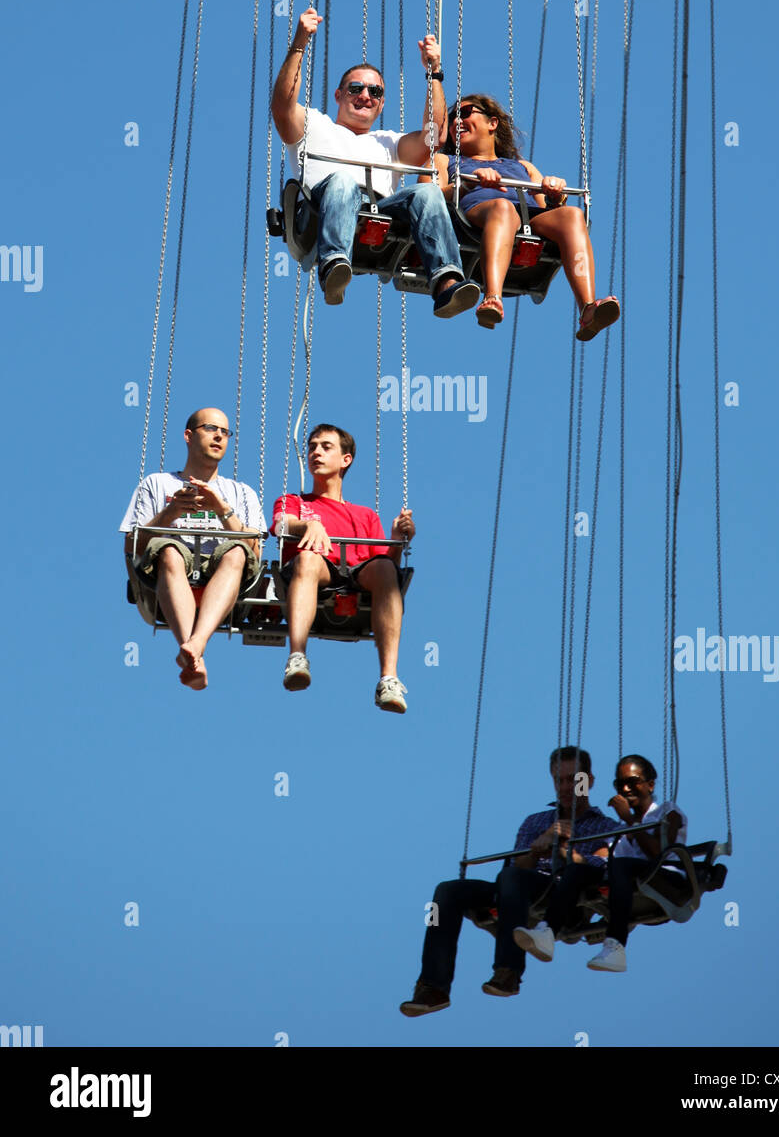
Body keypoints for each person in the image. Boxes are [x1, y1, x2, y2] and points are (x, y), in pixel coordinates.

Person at [270, 8, 480, 318]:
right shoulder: (313, 124)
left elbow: (433, 138)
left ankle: (445, 281)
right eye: (356, 89)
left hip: (378, 213)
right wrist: (300, 42)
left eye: (375, 91)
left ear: (381, 104)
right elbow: (282, 104)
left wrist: (434, 72)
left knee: (428, 193)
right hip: (320, 211)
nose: (365, 95)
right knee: (342, 179)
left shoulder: (389, 142)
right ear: (339, 95)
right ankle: (334, 266)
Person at [399, 748, 619, 1016]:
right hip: (518, 888)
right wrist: (539, 846)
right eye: (558, 780)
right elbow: (519, 865)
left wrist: (562, 850)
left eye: (573, 780)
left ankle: (508, 970)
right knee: (447, 891)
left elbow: (598, 867)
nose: (564, 787)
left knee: (511, 878)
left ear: (589, 781)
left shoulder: (607, 826)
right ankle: (432, 986)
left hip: (565, 894)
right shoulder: (536, 821)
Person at [427, 93, 620, 337]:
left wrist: (554, 193)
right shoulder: (445, 160)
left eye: (465, 113)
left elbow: (549, 207)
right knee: (503, 209)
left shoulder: (522, 167)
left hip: (528, 218)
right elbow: (428, 194)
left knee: (572, 214)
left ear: (492, 123)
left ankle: (588, 308)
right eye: (454, 117)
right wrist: (468, 185)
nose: (457, 121)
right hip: (477, 215)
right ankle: (492, 297)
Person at [271, 423, 416, 713]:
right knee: (309, 557)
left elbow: (385, 566)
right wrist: (308, 524)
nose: (316, 452)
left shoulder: (364, 515)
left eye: (326, 447)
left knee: (387, 569)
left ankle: (389, 677)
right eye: (312, 447)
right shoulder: (294, 502)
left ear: (345, 459)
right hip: (314, 570)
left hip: (357, 576)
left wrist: (398, 539)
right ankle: (297, 656)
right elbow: (280, 524)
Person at [120, 408, 265, 691]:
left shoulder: (242, 492)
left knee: (236, 551)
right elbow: (132, 545)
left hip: (223, 564)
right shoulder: (156, 483)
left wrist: (222, 510)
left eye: (225, 432)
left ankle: (194, 648)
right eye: (211, 428)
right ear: (189, 435)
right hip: (169, 562)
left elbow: (255, 550)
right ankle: (194, 649)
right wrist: (171, 513)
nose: (219, 437)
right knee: (170, 551)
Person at [514, 753, 687, 973]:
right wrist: (566, 853)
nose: (626, 789)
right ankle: (547, 930)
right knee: (579, 870)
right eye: (620, 784)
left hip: (663, 876)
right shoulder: (621, 830)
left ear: (650, 784)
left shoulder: (667, 812)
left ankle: (615, 946)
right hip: (627, 877)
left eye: (632, 782)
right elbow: (603, 859)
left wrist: (627, 819)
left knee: (620, 866)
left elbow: (658, 853)